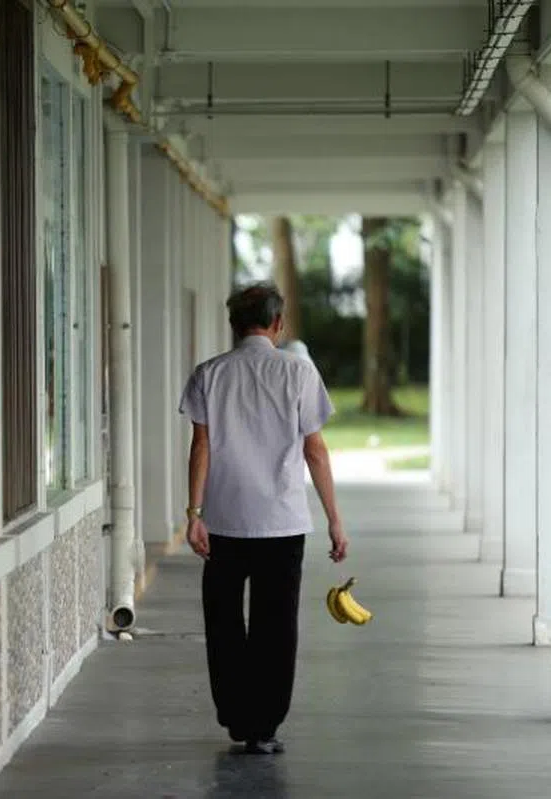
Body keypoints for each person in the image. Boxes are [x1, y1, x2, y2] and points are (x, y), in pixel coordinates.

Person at [178, 283, 347, 755]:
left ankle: (235, 715)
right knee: (276, 626)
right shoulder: (298, 373)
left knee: (225, 621)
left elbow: (201, 447)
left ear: (235, 324)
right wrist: (334, 519)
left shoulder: (209, 374)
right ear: (278, 324)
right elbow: (315, 450)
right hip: (282, 523)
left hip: (225, 522)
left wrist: (193, 514)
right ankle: (265, 726)